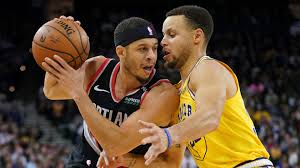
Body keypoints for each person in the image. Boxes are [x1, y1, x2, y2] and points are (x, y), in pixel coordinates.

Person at [138, 5, 274, 168]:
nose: (163, 41)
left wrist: (168, 135)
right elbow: (170, 164)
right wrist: (121, 158)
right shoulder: (178, 93)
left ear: (197, 36)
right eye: (164, 35)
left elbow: (209, 117)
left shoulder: (208, 69)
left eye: (171, 34)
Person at [42, 16, 185, 167]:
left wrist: (80, 95)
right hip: (83, 162)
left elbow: (115, 147)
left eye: (155, 48)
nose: (151, 56)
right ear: (121, 52)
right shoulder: (97, 68)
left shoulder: (162, 94)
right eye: (142, 49)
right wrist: (61, 46)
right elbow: (52, 90)